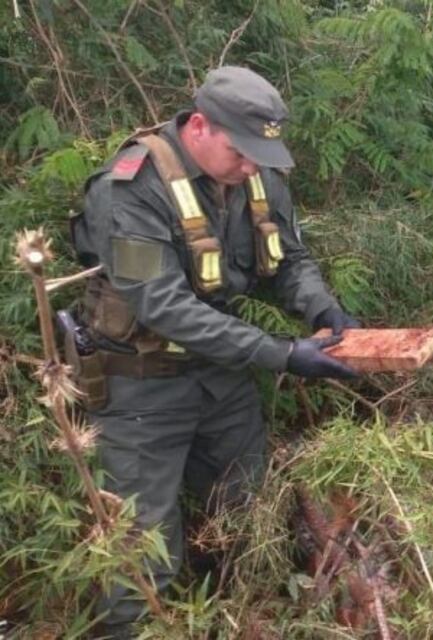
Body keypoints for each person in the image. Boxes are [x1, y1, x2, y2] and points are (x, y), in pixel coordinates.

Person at [70, 66, 357, 637]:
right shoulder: (130, 188)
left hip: (222, 379)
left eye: (261, 156)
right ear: (199, 125)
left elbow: (289, 258)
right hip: (140, 391)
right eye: (240, 152)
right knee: (139, 550)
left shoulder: (258, 174)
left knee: (246, 519)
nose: (251, 168)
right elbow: (164, 307)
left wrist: (323, 308)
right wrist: (283, 354)